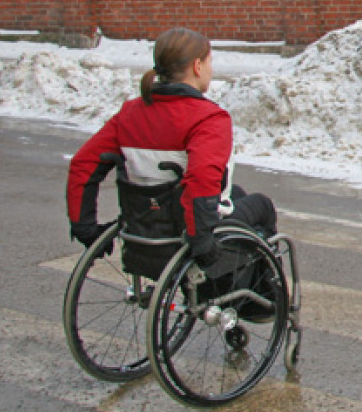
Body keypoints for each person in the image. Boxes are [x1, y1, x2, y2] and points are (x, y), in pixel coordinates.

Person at [66, 27, 276, 268]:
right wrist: (202, 243)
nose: (211, 69)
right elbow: (201, 178)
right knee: (262, 206)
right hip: (186, 234)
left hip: (145, 228)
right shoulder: (207, 118)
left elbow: (84, 164)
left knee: (237, 193)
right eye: (210, 62)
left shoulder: (130, 114)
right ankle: (260, 297)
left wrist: (86, 229)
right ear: (198, 67)